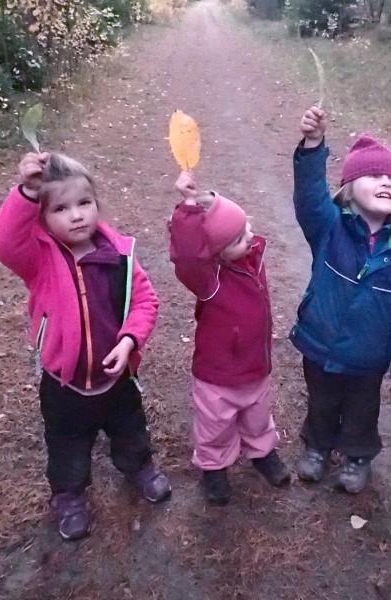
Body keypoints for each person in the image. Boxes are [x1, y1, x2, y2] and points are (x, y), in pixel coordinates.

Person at [0, 151, 171, 540]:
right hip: (64, 381)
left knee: (130, 428)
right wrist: (26, 191)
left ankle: (139, 467)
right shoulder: (37, 260)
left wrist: (129, 340)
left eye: (84, 203)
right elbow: (3, 241)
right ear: (42, 217)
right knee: (67, 442)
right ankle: (68, 495)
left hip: (116, 376)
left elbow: (145, 301)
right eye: (61, 208)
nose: (76, 215)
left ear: (97, 205)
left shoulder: (119, 255)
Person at [291, 106, 391, 494]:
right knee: (321, 401)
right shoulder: (329, 227)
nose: (386, 182)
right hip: (319, 343)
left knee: (362, 409)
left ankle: (356, 456)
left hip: (369, 356)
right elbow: (308, 195)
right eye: (372, 175)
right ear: (349, 188)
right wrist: (313, 144)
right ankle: (317, 446)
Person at [169, 170, 290, 506]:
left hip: (255, 367)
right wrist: (188, 209)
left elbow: (230, 236)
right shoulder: (209, 278)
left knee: (258, 417)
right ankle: (214, 467)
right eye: (237, 238)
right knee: (215, 427)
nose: (249, 237)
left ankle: (262, 453)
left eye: (246, 227)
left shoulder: (251, 258)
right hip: (218, 376)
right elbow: (188, 256)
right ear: (215, 254)